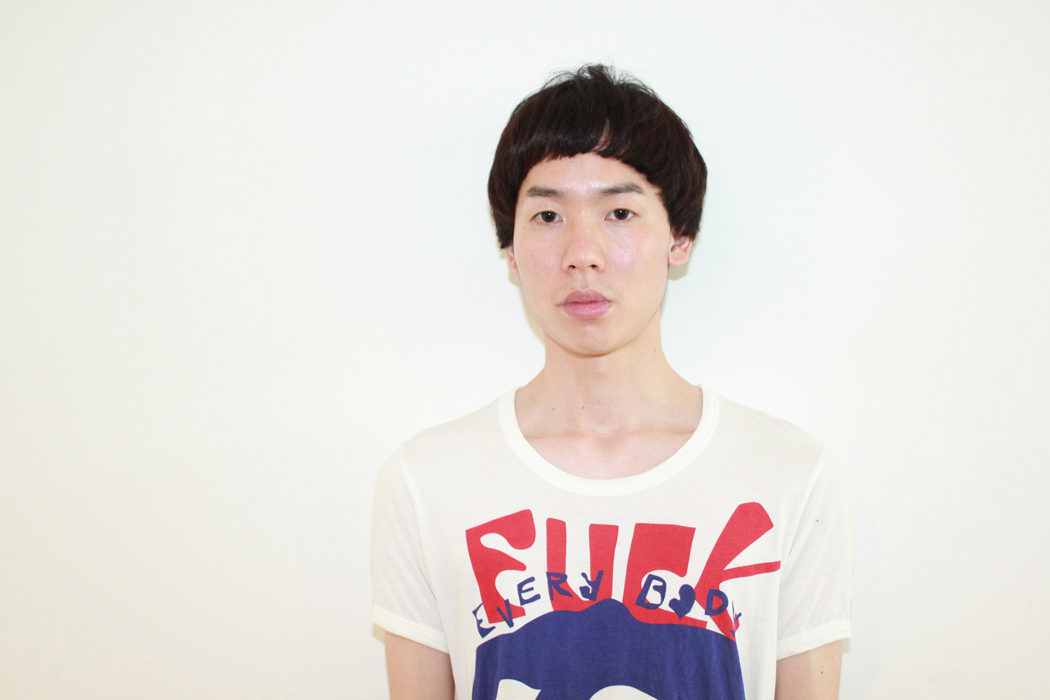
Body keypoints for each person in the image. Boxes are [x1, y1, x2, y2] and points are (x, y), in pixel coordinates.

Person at [371, 64, 853, 700]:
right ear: (510, 249)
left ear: (679, 238)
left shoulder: (790, 474)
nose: (583, 253)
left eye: (620, 212)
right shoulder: (426, 481)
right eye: (548, 215)